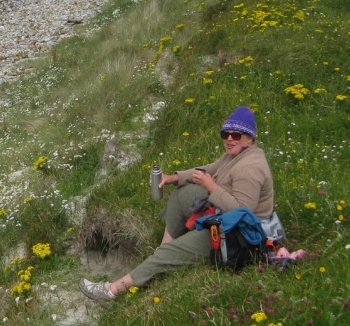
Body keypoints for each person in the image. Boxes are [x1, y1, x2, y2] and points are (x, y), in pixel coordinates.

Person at [79, 106, 274, 301]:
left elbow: (243, 212)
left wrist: (212, 187)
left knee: (172, 252)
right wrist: (173, 178)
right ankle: (164, 250)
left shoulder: (249, 168)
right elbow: (207, 170)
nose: (229, 139)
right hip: (226, 218)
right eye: (225, 134)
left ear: (250, 137)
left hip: (238, 237)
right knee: (183, 192)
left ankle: (112, 290)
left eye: (236, 135)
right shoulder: (235, 155)